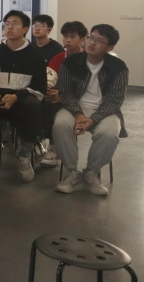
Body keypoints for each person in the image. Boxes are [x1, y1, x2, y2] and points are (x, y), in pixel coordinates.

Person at [54, 24, 127, 196]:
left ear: (110, 47)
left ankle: (91, 173)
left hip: (105, 110)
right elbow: (65, 92)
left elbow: (115, 100)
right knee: (60, 125)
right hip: (75, 107)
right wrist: (78, 114)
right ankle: (72, 172)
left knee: (109, 134)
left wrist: (94, 119)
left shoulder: (118, 67)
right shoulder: (70, 62)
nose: (92, 43)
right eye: (91, 37)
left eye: (99, 40)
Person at [0, 10, 47, 181]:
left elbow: (40, 88)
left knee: (34, 105)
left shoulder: (35, 55)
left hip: (22, 100)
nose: (9, 27)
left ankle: (25, 153)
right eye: (7, 24)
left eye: (15, 23)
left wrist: (16, 97)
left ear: (25, 29)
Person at [41, 21, 88, 168]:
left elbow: (86, 87)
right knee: (44, 102)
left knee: (55, 106)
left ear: (82, 39)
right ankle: (45, 141)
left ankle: (55, 148)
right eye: (65, 36)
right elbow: (50, 77)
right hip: (59, 94)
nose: (67, 40)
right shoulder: (59, 57)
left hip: (81, 100)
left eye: (72, 37)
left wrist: (62, 96)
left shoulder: (88, 59)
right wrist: (48, 90)